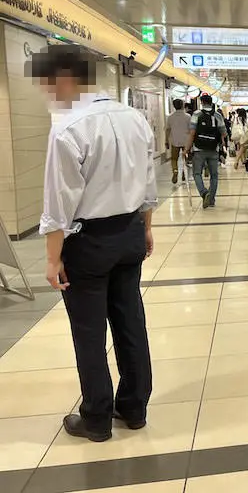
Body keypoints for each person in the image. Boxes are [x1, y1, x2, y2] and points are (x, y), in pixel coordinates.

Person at [32, 45, 156, 442]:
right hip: (130, 232)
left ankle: (97, 418)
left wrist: (53, 260)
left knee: (88, 331)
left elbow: (58, 203)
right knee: (130, 321)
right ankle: (134, 408)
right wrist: (146, 227)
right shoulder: (134, 118)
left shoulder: (68, 127)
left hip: (88, 242)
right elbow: (148, 182)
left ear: (64, 78)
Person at [187, 93, 227, 209]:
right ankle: (211, 200)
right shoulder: (217, 115)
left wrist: (186, 149)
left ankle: (204, 193)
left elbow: (192, 133)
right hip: (213, 149)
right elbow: (224, 133)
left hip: (199, 149)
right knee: (214, 175)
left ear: (202, 102)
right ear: (211, 102)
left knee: (197, 173)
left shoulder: (196, 114)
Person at [165, 98, 191, 184]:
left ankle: (175, 171)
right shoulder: (188, 117)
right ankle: (184, 172)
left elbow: (168, 130)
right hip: (186, 141)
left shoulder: (170, 117)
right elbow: (191, 130)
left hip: (175, 141)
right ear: (183, 105)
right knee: (186, 158)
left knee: (174, 159)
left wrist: (166, 141)